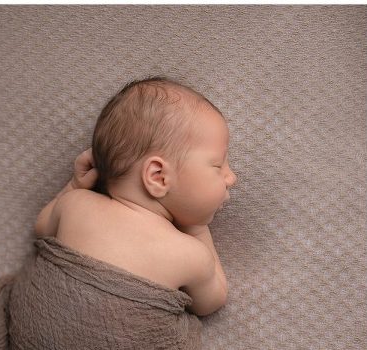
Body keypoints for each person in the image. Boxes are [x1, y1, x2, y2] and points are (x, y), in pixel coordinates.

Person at [34, 77, 237, 317]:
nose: (231, 177)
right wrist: (197, 227)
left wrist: (75, 185)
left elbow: (41, 229)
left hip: (35, 332)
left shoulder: (75, 203)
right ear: (158, 176)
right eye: (218, 165)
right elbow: (212, 302)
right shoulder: (191, 255)